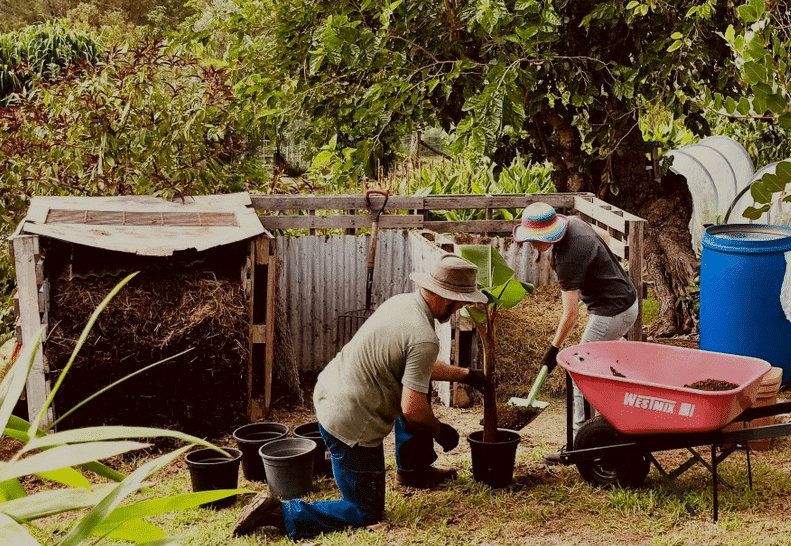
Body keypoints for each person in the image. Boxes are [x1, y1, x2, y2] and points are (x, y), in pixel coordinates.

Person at [233, 253, 489, 539]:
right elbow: (412, 410)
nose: (456, 312)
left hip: (330, 394)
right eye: (458, 306)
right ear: (446, 298)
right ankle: (282, 513)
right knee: (365, 510)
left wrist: (466, 374)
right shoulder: (423, 336)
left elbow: (415, 365)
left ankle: (413, 470)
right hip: (350, 424)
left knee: (416, 387)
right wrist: (441, 431)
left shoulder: (401, 303)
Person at [512, 202, 638, 447]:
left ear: (550, 234)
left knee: (580, 371)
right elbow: (604, 237)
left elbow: (570, 315)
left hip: (612, 312)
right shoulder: (575, 223)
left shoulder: (568, 261)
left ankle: (578, 441)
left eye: (536, 239)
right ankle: (617, 418)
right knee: (608, 364)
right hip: (625, 300)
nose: (532, 245)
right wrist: (594, 270)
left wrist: (552, 351)